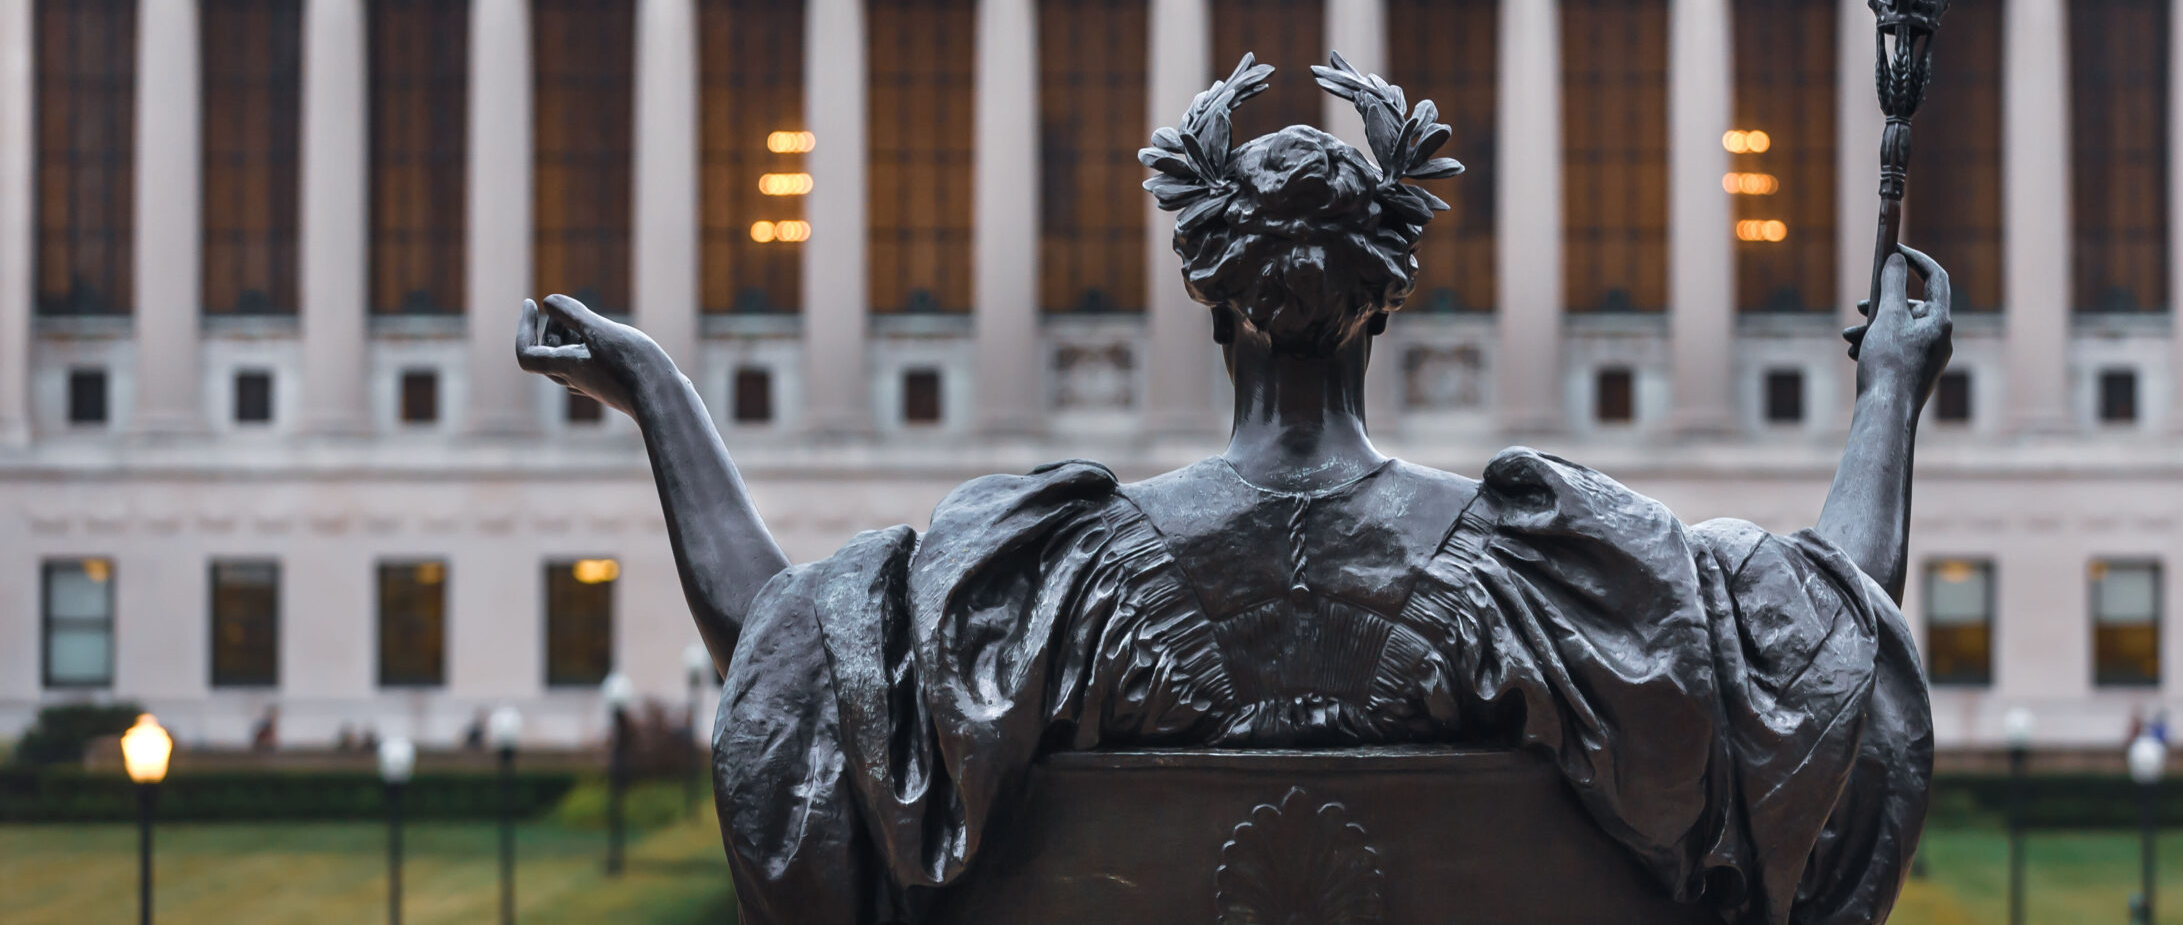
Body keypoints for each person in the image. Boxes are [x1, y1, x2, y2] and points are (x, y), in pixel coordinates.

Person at [520, 53, 1951, 925]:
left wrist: (659, 396)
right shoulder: (1557, 579)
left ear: (1205, 304)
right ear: (1388, 310)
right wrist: (1889, 391)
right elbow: (1822, 681)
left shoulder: (1049, 584)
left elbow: (786, 675)